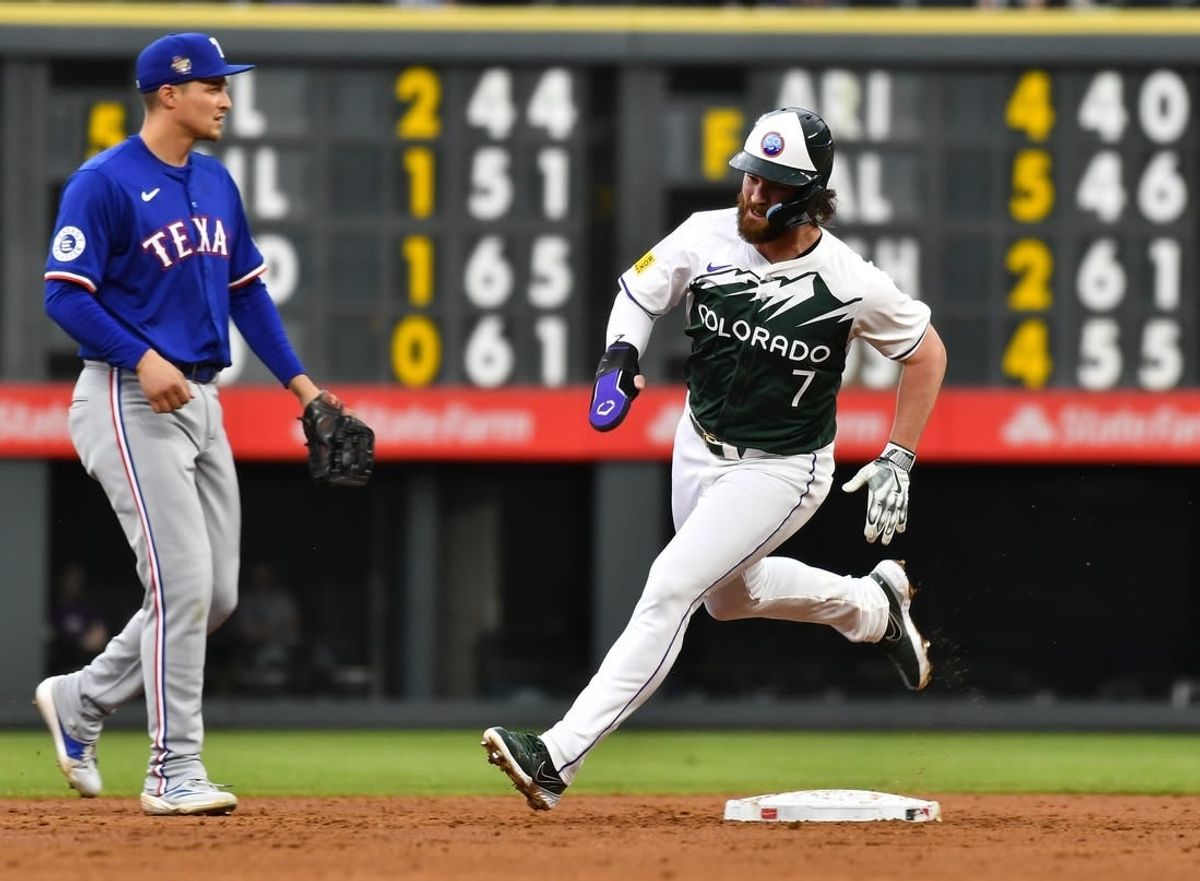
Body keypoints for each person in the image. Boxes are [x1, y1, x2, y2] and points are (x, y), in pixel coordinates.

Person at [482, 107, 947, 811]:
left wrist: (899, 454)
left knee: (671, 584)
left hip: (784, 467)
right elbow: (639, 293)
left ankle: (556, 756)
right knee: (730, 597)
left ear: (810, 194)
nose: (754, 193)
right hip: (698, 443)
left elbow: (927, 351)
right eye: (751, 176)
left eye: (773, 184)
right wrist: (619, 356)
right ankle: (871, 606)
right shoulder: (707, 234)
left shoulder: (849, 279)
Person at [35, 32, 333, 816]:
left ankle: (81, 699)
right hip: (126, 397)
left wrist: (304, 388)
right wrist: (139, 356)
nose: (226, 98)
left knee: (217, 594)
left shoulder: (216, 181)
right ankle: (173, 769)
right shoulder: (103, 182)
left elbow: (247, 295)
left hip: (202, 401)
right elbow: (64, 294)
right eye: (212, 86)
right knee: (181, 584)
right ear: (169, 93)